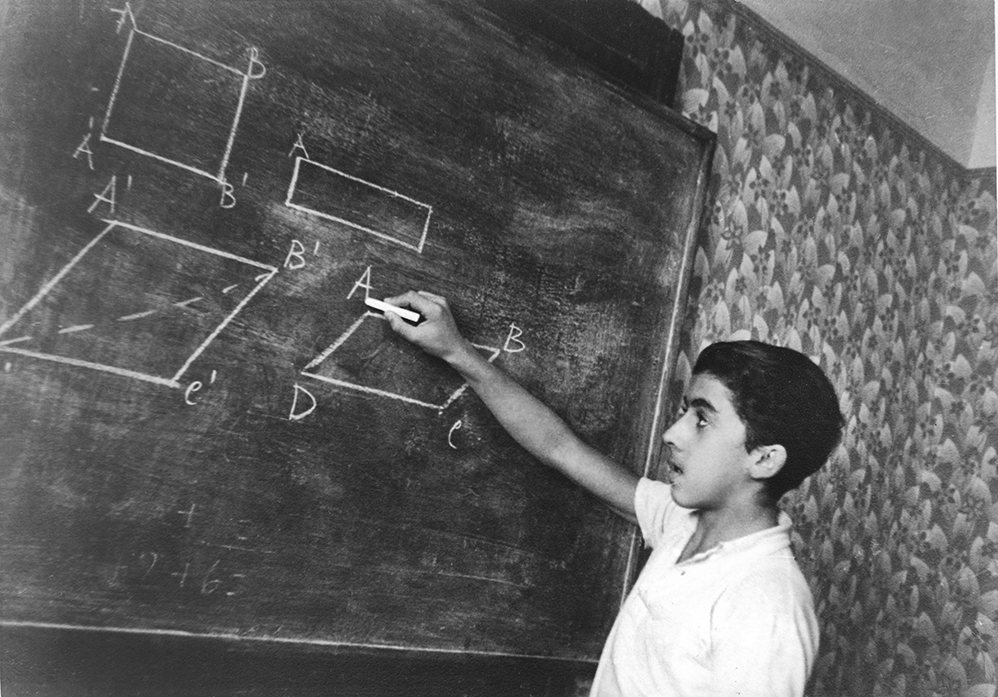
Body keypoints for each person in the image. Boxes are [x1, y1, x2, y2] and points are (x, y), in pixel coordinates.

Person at [382, 290, 845, 697]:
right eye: (684, 412)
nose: (672, 433)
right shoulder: (682, 523)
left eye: (702, 419)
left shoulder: (767, 606)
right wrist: (457, 351)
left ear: (764, 459)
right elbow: (559, 447)